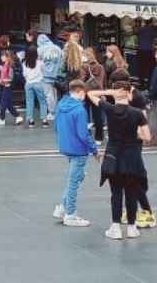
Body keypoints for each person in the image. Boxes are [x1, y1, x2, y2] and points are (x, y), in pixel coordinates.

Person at [88, 81, 152, 240]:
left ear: (116, 93)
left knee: (116, 192)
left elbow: (90, 94)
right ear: (128, 93)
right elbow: (147, 137)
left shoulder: (109, 109)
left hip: (113, 155)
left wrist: (110, 92)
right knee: (131, 192)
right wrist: (134, 134)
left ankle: (115, 227)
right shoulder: (137, 113)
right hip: (132, 157)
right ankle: (131, 227)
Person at [53, 80, 98, 227]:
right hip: (78, 150)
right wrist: (94, 149)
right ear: (80, 92)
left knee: (76, 177)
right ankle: (70, 213)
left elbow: (56, 126)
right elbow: (83, 134)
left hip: (66, 146)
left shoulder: (60, 105)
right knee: (74, 181)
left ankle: (63, 207)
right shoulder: (79, 110)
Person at [82, 47, 107, 141]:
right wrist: (104, 92)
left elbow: (81, 80)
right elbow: (104, 81)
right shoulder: (100, 66)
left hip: (86, 93)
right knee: (98, 116)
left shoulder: (83, 66)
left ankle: (87, 135)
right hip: (97, 93)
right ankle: (99, 138)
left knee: (85, 115)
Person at [37, 35, 64, 117]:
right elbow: (63, 60)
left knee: (49, 95)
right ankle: (57, 110)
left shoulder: (40, 50)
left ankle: (52, 112)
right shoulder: (57, 48)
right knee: (56, 93)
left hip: (45, 75)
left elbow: (38, 63)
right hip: (57, 75)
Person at [0, 50, 21, 126]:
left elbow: (11, 78)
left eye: (3, 56)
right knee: (8, 104)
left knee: (3, 104)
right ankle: (17, 116)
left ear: (7, 57)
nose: (1, 57)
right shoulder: (5, 64)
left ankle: (2, 119)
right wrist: (1, 80)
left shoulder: (10, 66)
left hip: (8, 87)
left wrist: (1, 80)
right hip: (4, 86)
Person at [23, 45, 50, 125]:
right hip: (38, 83)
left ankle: (31, 120)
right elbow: (44, 72)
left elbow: (24, 74)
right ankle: (44, 120)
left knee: (29, 102)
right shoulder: (40, 63)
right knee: (42, 101)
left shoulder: (24, 63)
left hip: (28, 84)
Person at [136, 20, 157, 85]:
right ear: (150, 23)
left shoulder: (140, 29)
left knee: (141, 68)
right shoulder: (152, 30)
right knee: (150, 69)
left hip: (140, 51)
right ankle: (149, 83)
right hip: (149, 51)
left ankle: (141, 83)